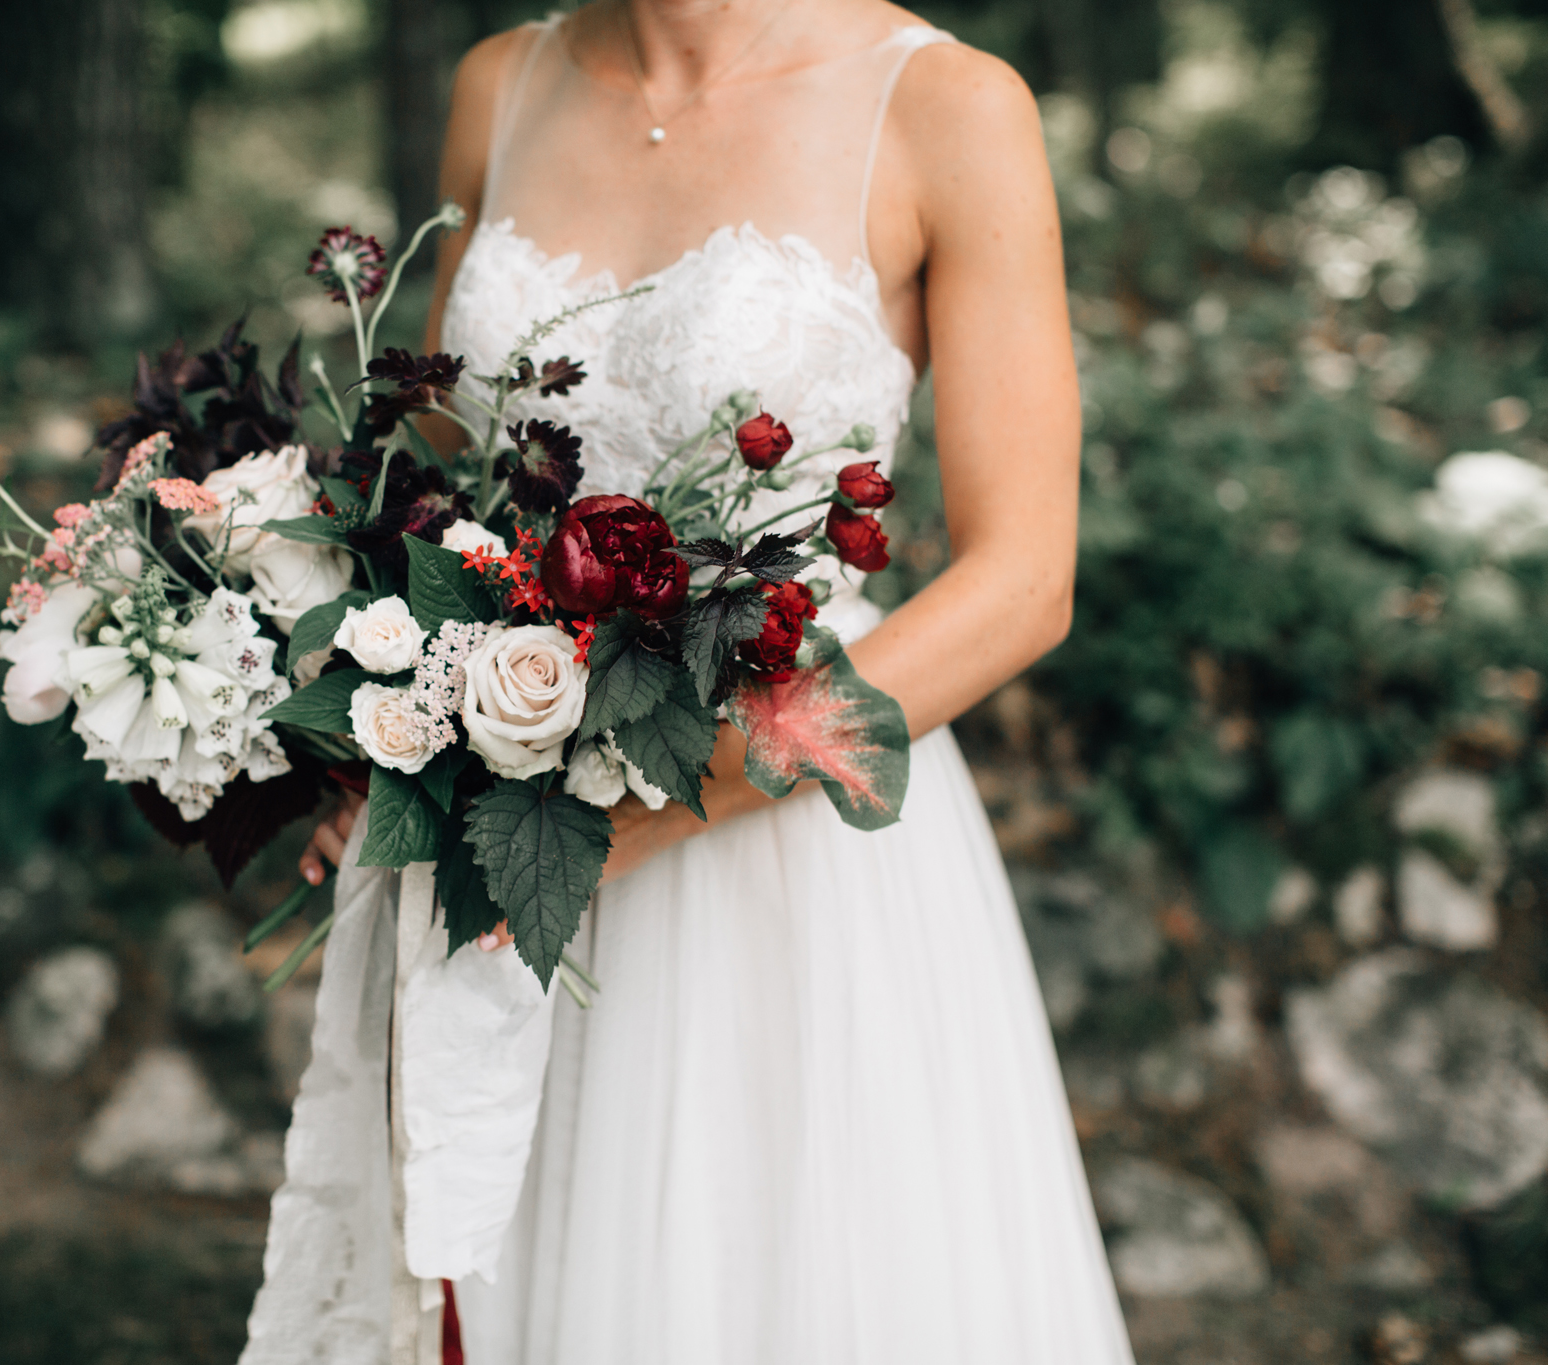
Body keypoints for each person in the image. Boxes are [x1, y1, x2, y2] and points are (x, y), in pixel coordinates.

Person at [259, 1, 1135, 1360]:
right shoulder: (505, 81)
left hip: (790, 855)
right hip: (499, 836)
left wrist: (666, 802)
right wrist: (382, 732)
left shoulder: (951, 109)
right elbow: (438, 484)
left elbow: (1024, 582)